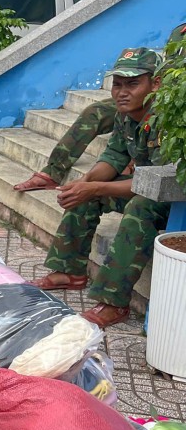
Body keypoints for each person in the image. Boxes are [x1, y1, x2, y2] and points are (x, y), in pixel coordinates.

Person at [35, 47, 170, 329]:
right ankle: (68, 270)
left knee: (139, 207)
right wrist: (85, 184)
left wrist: (96, 188)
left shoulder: (166, 119)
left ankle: (114, 301)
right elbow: (113, 158)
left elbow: (154, 185)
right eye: (117, 84)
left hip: (171, 197)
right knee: (85, 192)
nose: (122, 92)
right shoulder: (126, 114)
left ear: (155, 84)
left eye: (133, 84)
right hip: (146, 186)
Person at [14, 20, 185, 192]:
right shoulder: (180, 32)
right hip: (159, 94)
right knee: (95, 112)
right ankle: (52, 172)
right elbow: (166, 70)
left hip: (174, 104)